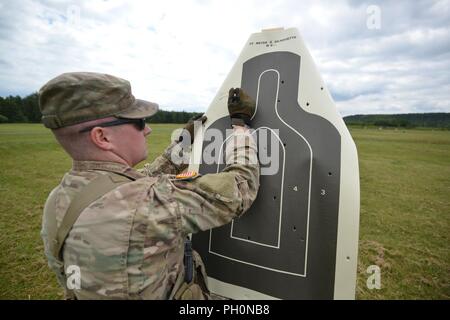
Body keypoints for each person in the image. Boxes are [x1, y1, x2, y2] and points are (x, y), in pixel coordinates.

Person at [39, 72, 260, 300]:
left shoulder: (57, 200)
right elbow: (240, 186)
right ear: (102, 137)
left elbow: (138, 179)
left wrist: (183, 143)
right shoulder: (147, 202)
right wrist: (240, 127)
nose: (147, 130)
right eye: (139, 122)